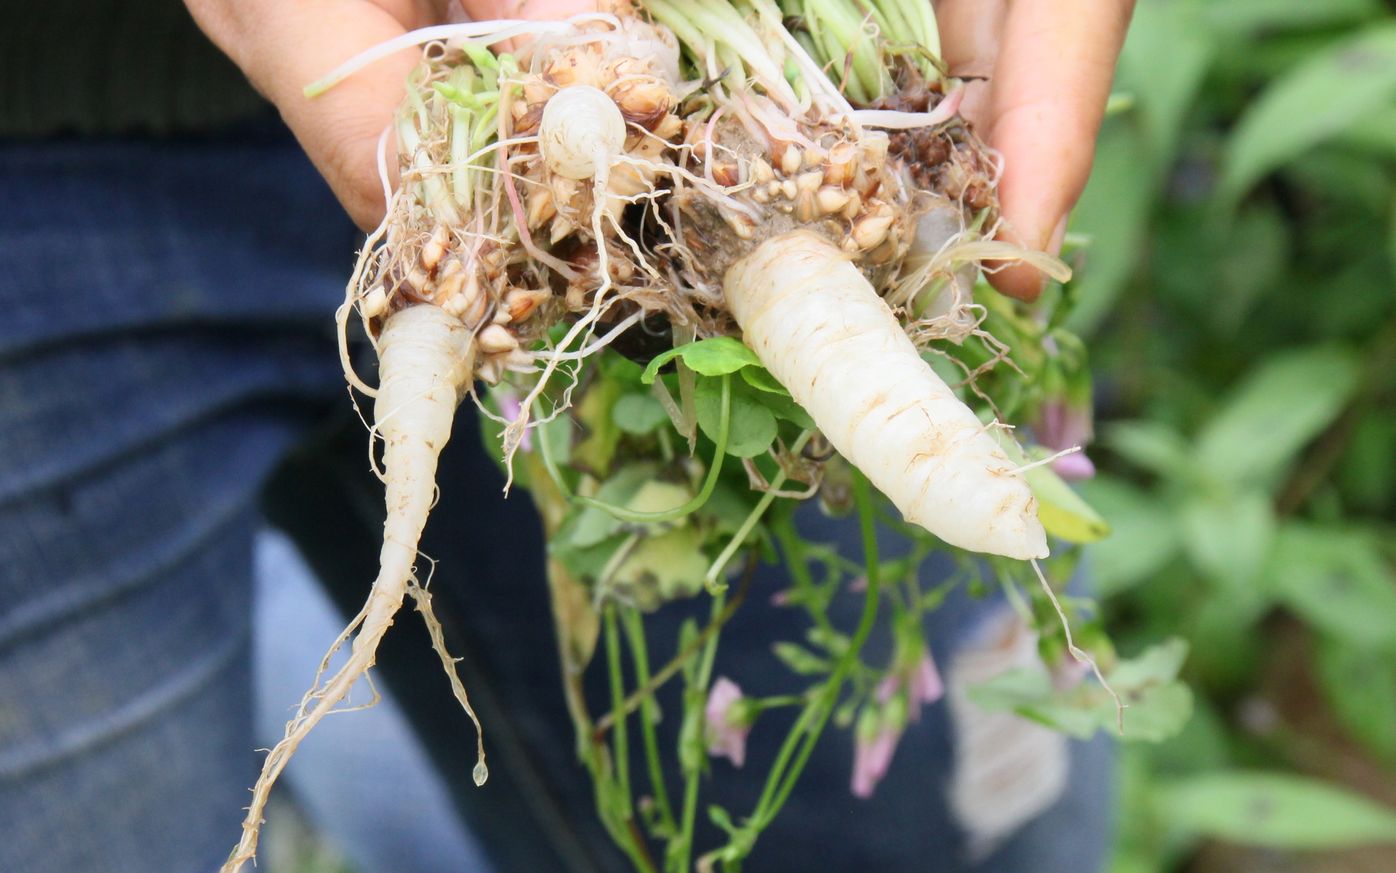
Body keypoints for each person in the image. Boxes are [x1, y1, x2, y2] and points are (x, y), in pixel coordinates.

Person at [0, 1, 1133, 871]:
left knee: (945, 819)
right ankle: (304, 648)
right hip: (38, 153)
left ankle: (312, 664)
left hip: (631, 214)